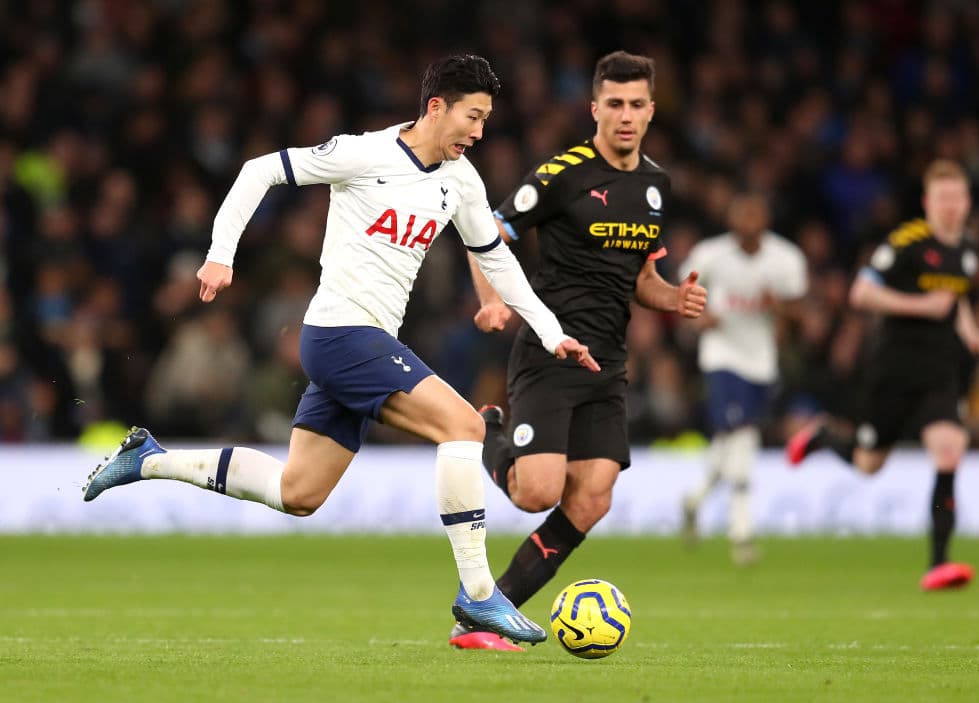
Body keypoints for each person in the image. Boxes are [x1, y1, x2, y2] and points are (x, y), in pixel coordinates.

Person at [82, 54, 602, 645]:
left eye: (485, 120)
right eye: (473, 117)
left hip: (365, 342)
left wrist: (550, 330)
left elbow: (494, 259)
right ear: (436, 107)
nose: (479, 132)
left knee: (297, 492)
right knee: (463, 427)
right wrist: (221, 252)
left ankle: (147, 459)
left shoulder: (461, 180)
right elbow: (259, 170)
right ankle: (479, 594)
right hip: (340, 334)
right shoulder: (363, 154)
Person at [450, 51, 707, 651]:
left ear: (650, 111)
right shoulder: (563, 174)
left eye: (636, 104)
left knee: (591, 499)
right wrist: (492, 298)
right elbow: (484, 230)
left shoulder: (656, 185)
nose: (625, 115)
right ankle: (486, 430)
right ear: (595, 109)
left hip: (609, 363)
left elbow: (642, 278)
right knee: (537, 492)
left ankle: (489, 614)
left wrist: (674, 300)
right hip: (551, 350)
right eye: (613, 104)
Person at [786, 159, 979, 591]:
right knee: (868, 464)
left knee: (950, 451)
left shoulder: (968, 251)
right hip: (893, 372)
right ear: (927, 202)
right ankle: (824, 434)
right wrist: (920, 306)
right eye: (943, 199)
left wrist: (970, 332)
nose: (951, 207)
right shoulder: (908, 242)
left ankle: (938, 563)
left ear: (967, 201)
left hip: (939, 375)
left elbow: (956, 300)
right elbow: (861, 293)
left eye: (958, 198)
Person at [679, 192, 808, 565]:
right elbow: (680, 293)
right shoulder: (710, 255)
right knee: (743, 437)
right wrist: (700, 318)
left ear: (765, 219)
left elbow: (801, 313)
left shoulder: (785, 259)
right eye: (743, 214)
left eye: (756, 214)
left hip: (761, 362)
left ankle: (695, 499)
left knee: (731, 439)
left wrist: (779, 308)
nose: (749, 221)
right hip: (722, 357)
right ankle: (742, 532)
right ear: (731, 219)